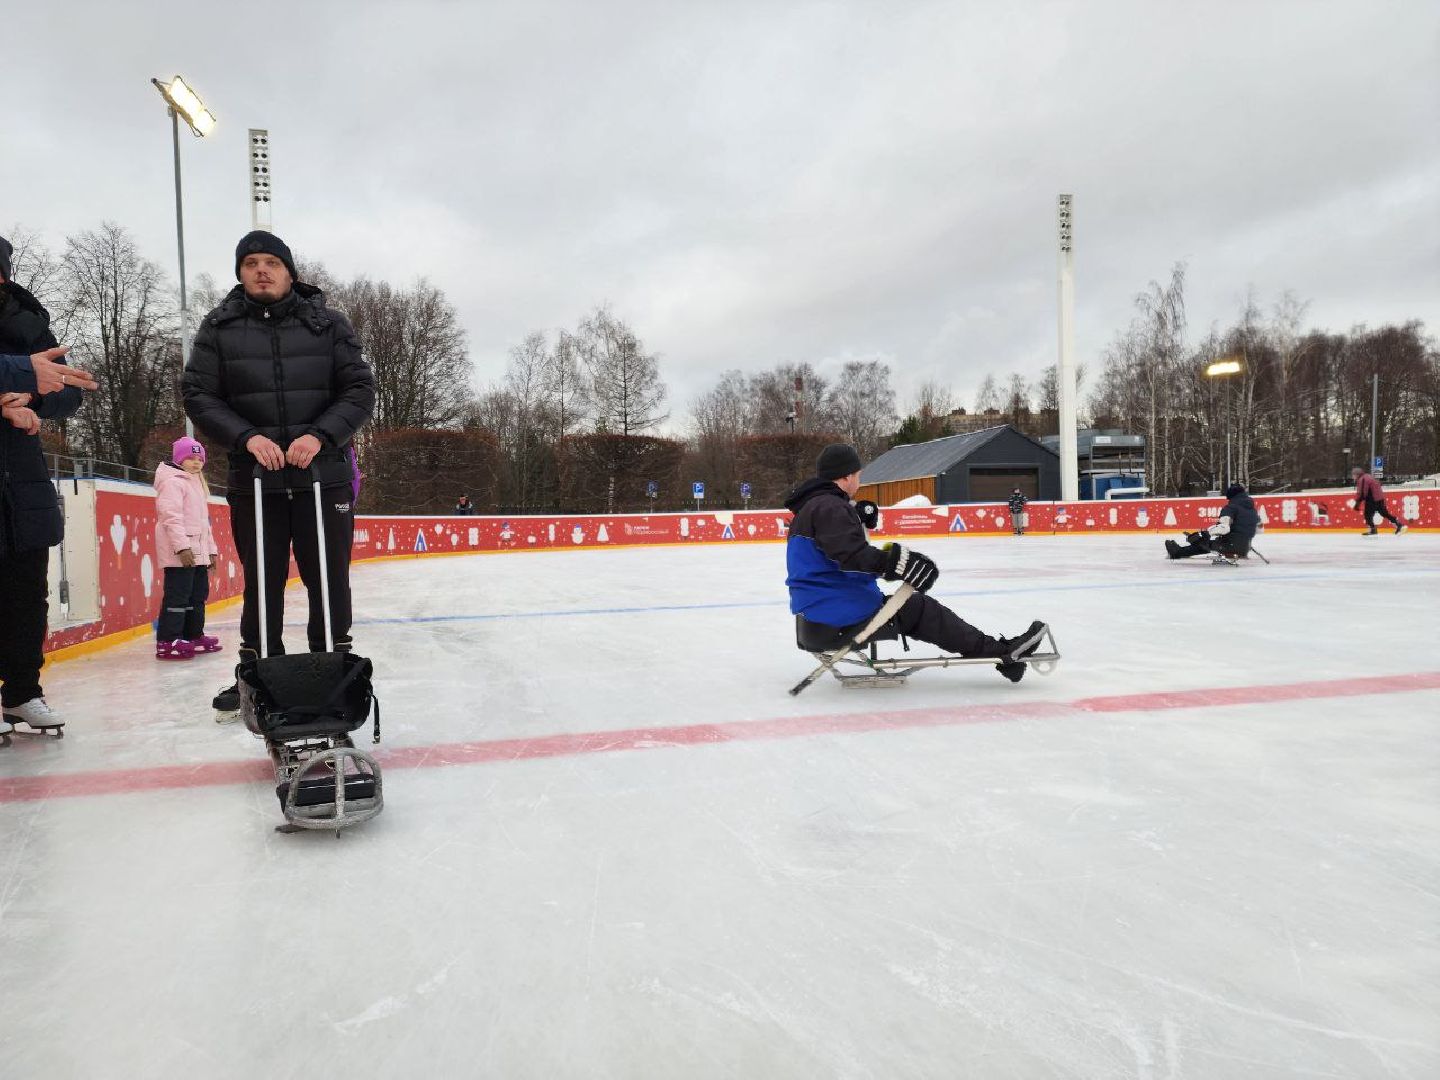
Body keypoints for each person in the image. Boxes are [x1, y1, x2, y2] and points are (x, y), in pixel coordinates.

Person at [183, 231, 375, 712]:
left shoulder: (328, 324)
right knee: (261, 580)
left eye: (271, 262)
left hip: (321, 477)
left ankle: (332, 670)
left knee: (327, 578)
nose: (261, 270)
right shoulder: (219, 328)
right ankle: (258, 673)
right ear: (240, 273)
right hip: (256, 481)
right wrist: (247, 437)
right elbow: (200, 395)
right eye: (251, 263)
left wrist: (321, 435)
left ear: (291, 271)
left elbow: (358, 389)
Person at [785, 443, 1048, 683]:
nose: (859, 479)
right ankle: (1003, 655)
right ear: (846, 476)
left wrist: (855, 514)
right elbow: (851, 556)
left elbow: (831, 551)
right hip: (834, 614)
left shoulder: (816, 506)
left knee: (908, 604)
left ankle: (998, 654)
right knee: (917, 607)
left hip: (821, 609)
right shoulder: (830, 508)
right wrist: (898, 563)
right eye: (858, 474)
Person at [0, 238, 87, 736]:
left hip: (21, 479)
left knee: (26, 592)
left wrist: (34, 401)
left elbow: (68, 389)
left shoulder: (27, 320)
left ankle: (22, 693)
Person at [153, 437, 221, 661]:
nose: (195, 462)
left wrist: (211, 551)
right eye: (190, 458)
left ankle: (193, 635)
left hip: (198, 553)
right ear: (179, 459)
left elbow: (204, 524)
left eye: (199, 458)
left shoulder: (195, 483)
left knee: (197, 595)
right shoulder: (173, 481)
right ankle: (168, 639)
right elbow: (170, 517)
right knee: (178, 596)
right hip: (181, 553)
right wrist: (182, 548)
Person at [1165, 483, 1259, 559]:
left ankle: (1177, 552)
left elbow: (1224, 528)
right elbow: (1258, 529)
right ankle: (1181, 551)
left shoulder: (1230, 508)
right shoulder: (1252, 510)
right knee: (1212, 542)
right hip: (1245, 547)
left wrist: (1205, 534)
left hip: (1230, 546)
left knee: (1202, 542)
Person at [1351, 467, 1405, 535]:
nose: (1353, 477)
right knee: (1384, 513)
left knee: (1367, 515)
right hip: (1379, 498)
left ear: (1357, 474)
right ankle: (1398, 524)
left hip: (1372, 499)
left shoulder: (1363, 479)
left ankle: (1372, 530)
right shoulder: (1368, 476)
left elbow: (1362, 493)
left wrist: (1357, 503)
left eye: (1353, 475)